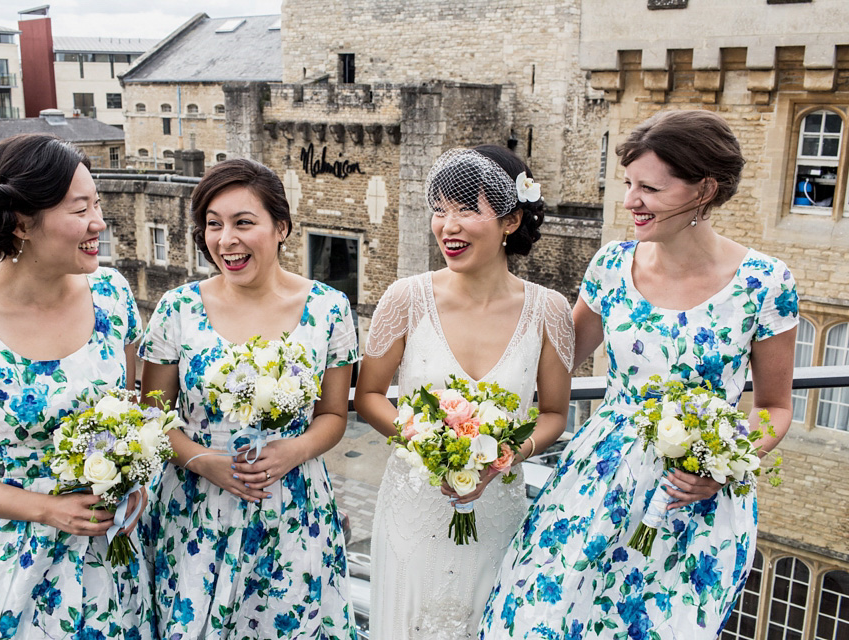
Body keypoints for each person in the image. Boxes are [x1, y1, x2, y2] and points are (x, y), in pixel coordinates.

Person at [481, 110, 798, 639]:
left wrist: (722, 466)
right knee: (541, 620)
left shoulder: (766, 282)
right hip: (596, 484)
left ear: (704, 190)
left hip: (693, 501)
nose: (630, 201)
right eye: (628, 184)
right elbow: (551, 362)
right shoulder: (611, 265)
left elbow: (774, 407)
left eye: (648, 188)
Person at [0, 134, 151, 638]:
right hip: (5, 566)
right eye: (81, 209)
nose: (98, 223)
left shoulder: (113, 293)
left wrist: (134, 474)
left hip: (109, 562)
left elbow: (131, 405)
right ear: (20, 223)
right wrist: (49, 508)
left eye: (96, 204)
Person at [354, 146, 574, 639]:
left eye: (467, 210)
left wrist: (505, 458)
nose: (447, 225)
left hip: (498, 511)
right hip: (414, 507)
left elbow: (555, 413)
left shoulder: (550, 311)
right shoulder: (405, 298)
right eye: (439, 209)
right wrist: (429, 448)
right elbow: (368, 395)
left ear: (511, 221)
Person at [138, 158, 359, 638]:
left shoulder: (329, 309)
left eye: (243, 223)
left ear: (281, 227)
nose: (225, 240)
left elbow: (334, 415)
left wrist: (292, 451)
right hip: (194, 508)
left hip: (292, 505)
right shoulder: (177, 308)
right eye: (213, 225)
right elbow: (150, 417)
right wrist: (202, 461)